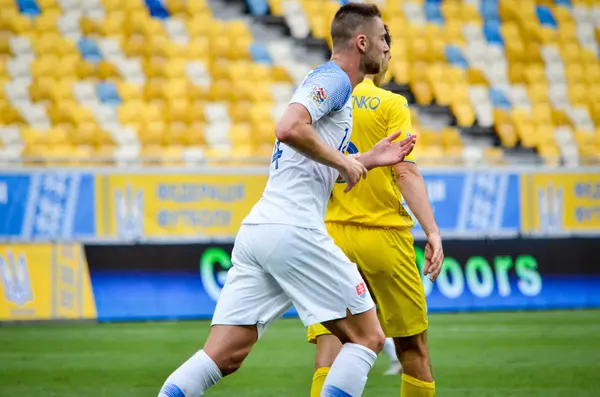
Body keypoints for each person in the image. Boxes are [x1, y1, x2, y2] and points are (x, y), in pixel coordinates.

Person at [157, 3, 417, 397]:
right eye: (383, 38)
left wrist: (364, 159)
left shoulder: (332, 91)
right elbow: (288, 128)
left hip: (262, 231)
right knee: (368, 338)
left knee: (224, 355)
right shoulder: (334, 79)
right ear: (361, 42)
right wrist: (345, 163)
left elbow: (309, 158)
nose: (386, 48)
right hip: (293, 229)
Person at [307, 26, 444, 397]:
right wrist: (431, 230)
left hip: (332, 236)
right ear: (379, 58)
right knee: (413, 349)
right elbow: (404, 170)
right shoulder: (390, 104)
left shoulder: (318, 100)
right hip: (384, 238)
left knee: (330, 349)